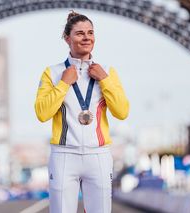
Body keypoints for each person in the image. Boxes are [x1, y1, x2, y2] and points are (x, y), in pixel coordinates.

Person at [35, 10, 129, 213]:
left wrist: (104, 80)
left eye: (90, 32)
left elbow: (122, 112)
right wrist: (63, 84)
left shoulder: (107, 71)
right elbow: (42, 113)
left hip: (99, 155)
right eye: (79, 33)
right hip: (64, 154)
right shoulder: (52, 73)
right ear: (67, 39)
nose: (86, 37)